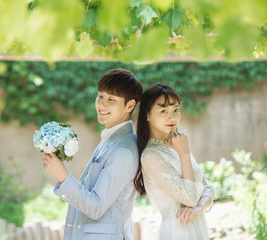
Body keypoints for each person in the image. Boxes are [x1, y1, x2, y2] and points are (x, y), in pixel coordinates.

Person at [42, 69, 143, 240]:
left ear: (130, 105)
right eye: (100, 96)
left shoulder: (123, 151)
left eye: (111, 99)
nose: (102, 104)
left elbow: (95, 207)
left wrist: (63, 176)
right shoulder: (111, 139)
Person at [134, 83, 214, 240]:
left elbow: (208, 187)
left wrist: (198, 208)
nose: (172, 117)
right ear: (147, 115)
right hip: (178, 231)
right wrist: (184, 153)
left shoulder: (176, 144)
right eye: (163, 111)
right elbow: (190, 198)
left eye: (175, 110)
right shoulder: (151, 155)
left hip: (197, 227)